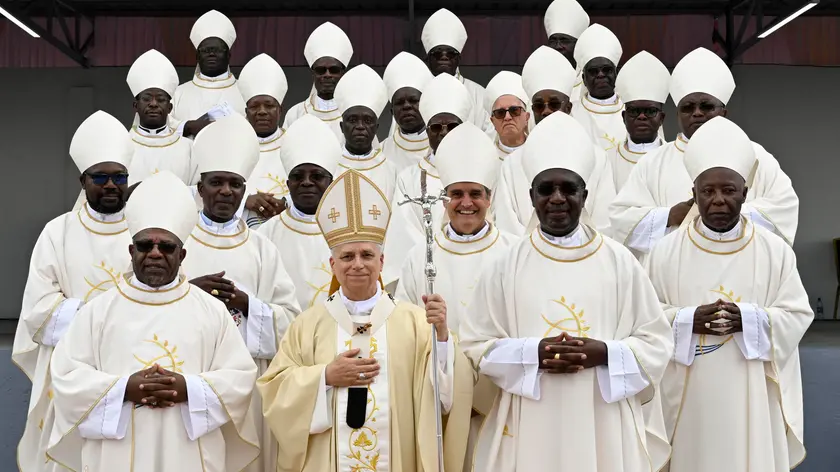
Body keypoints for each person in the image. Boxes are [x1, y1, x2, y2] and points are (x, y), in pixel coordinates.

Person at [460, 111, 672, 472]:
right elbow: (476, 344)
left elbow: (656, 343)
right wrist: (533, 353)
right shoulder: (505, 265)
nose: (557, 198)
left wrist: (604, 353)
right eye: (546, 189)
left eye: (568, 189)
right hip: (530, 417)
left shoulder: (620, 261)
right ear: (531, 196)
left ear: (584, 195)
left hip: (601, 416)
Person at [257, 169, 473, 472]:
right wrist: (325, 377)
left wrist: (441, 338)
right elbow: (274, 390)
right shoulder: (307, 326)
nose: (357, 264)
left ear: (381, 262)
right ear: (333, 264)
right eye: (347, 257)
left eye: (367, 255)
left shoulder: (415, 323)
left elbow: (445, 394)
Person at [47, 171, 259, 472]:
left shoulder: (211, 311)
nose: (155, 254)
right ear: (131, 251)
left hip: (187, 452)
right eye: (146, 246)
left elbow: (240, 378)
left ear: (182, 255)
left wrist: (187, 388)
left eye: (167, 247)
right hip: (116, 455)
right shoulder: (98, 310)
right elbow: (67, 377)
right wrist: (124, 389)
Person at [645, 116, 811, 472]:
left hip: (753, 392)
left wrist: (749, 319)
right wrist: (688, 319)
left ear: (745, 194)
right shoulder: (664, 253)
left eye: (729, 190)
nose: (718, 200)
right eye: (708, 191)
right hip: (689, 397)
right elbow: (644, 321)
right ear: (694, 195)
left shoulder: (775, 252)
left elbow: (797, 315)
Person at [13, 110, 134, 472]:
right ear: (83, 181)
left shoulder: (146, 231)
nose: (111, 185)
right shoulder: (58, 232)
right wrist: (108, 313)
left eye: (119, 177)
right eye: (100, 177)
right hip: (71, 372)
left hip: (130, 366)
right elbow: (39, 311)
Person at [181, 114, 300, 472]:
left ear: (244, 191)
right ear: (200, 189)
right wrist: (189, 292)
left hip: (247, 381)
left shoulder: (262, 248)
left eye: (235, 184)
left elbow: (290, 322)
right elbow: (146, 303)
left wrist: (246, 304)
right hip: (191, 375)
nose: (226, 191)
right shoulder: (177, 241)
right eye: (216, 182)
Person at [395, 123, 516, 471]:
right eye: (456, 194)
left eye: (475, 194)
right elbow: (404, 332)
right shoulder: (420, 257)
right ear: (443, 198)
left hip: (502, 401)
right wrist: (439, 339)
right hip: (439, 401)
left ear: (490, 198)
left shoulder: (514, 253)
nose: (466, 203)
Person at [609, 47, 799, 255]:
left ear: (723, 113)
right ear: (678, 115)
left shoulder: (755, 155)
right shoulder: (653, 162)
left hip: (743, 262)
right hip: (676, 266)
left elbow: (784, 208)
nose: (697, 113)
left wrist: (729, 212)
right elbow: (621, 218)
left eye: (706, 106)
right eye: (688, 108)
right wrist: (669, 216)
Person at [494, 46, 615, 237]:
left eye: (554, 104)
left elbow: (604, 221)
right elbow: (506, 224)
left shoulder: (597, 158)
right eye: (539, 105)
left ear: (568, 107)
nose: (546, 111)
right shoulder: (513, 163)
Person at [381, 72, 473, 288]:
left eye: (452, 126)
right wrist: (441, 258)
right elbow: (404, 236)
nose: (444, 133)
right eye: (436, 127)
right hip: (427, 276)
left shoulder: (481, 173)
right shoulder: (409, 179)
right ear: (427, 131)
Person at [259, 115, 342, 311]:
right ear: (288, 185)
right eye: (298, 176)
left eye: (316, 176)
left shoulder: (347, 231)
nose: (306, 182)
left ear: (330, 183)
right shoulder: (266, 235)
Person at [172, 10, 246, 138]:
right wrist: (188, 126)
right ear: (197, 56)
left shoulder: (245, 92)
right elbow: (162, 126)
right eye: (206, 50)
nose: (212, 54)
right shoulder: (177, 93)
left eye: (217, 50)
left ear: (228, 55)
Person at [126, 49, 195, 185]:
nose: (153, 104)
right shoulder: (123, 145)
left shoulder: (188, 148)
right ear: (135, 106)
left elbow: (198, 190)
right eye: (146, 98)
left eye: (161, 99)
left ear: (169, 108)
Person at [238, 53, 291, 228]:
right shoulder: (231, 145)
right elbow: (207, 189)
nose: (262, 111)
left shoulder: (295, 144)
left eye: (269, 105)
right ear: (246, 111)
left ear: (280, 110)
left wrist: (287, 203)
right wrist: (245, 200)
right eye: (254, 106)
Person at [334, 64, 398, 198]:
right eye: (352, 120)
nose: (360, 126)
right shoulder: (330, 167)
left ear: (376, 128)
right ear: (342, 127)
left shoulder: (391, 171)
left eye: (367, 121)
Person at [608, 50, 669, 191]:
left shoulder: (677, 159)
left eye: (650, 111)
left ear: (661, 118)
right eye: (634, 111)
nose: (642, 117)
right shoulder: (608, 160)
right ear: (624, 117)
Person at [421, 8, 490, 132]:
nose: (444, 57)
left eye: (451, 53)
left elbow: (488, 135)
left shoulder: (478, 94)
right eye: (437, 53)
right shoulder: (416, 94)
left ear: (459, 58)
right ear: (428, 58)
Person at [283, 22, 353, 142]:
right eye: (321, 70)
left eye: (334, 70)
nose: (327, 75)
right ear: (313, 74)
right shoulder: (296, 114)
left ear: (342, 73)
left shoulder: (355, 115)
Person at [571, 23, 629, 152]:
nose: (601, 75)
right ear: (584, 79)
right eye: (593, 71)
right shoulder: (572, 113)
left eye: (607, 70)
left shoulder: (632, 111)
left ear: (616, 74)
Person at [380, 51, 434, 172]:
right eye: (399, 102)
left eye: (413, 100)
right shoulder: (382, 152)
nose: (406, 106)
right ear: (392, 111)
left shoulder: (440, 147)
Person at [543, 0, 590, 103]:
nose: (558, 46)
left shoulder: (590, 77)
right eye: (553, 40)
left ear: (577, 44)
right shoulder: (541, 76)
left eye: (564, 40)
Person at [483, 71, 530, 160]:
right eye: (500, 113)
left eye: (514, 110)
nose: (507, 117)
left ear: (527, 117)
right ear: (492, 121)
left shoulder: (539, 151)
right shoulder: (484, 158)